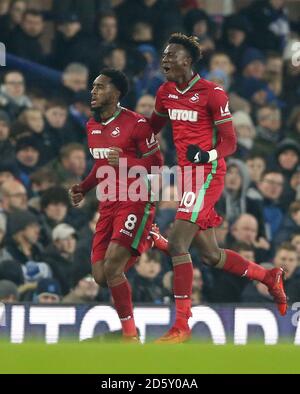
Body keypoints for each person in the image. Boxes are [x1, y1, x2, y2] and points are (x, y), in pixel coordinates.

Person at [149, 33, 287, 344]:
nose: (165, 61)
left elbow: (230, 142)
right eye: (164, 55)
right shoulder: (165, 92)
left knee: (177, 243)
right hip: (186, 176)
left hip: (208, 173)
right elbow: (152, 128)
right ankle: (268, 276)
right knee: (210, 255)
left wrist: (207, 154)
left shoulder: (212, 93)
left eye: (171, 56)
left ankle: (182, 325)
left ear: (188, 61)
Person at [69, 68, 162, 342]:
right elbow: (101, 164)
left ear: (116, 92)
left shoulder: (137, 123)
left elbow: (157, 165)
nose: (93, 92)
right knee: (100, 276)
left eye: (100, 87)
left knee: (112, 268)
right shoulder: (92, 126)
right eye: (93, 87)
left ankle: (129, 335)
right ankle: (152, 236)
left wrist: (125, 161)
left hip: (136, 198)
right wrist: (84, 188)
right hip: (108, 203)